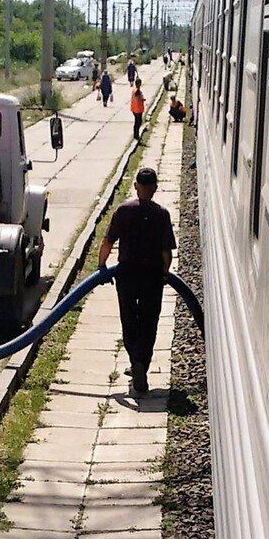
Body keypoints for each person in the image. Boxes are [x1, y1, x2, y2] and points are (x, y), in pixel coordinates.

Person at [97, 167, 176, 395]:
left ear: (136, 187)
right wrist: (165, 272)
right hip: (152, 276)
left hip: (126, 275)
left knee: (129, 319)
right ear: (155, 188)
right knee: (149, 322)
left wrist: (102, 267)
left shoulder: (124, 211)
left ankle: (135, 361)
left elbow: (108, 242)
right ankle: (143, 363)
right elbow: (166, 252)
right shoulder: (162, 214)